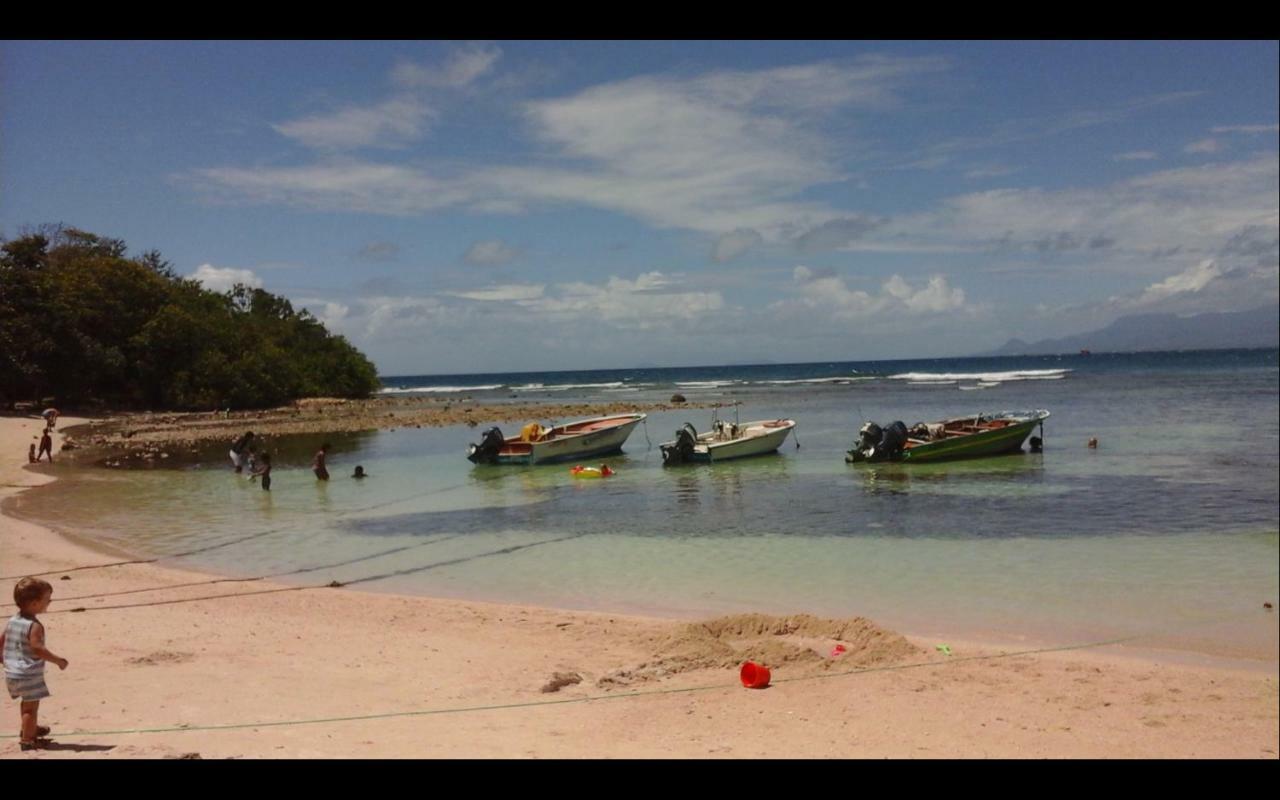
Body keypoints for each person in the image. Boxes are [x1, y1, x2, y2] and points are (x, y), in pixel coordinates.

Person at [2, 577, 68, 751]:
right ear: (34, 604)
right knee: (31, 707)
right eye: (47, 599)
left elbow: (2, 640)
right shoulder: (34, 625)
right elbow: (37, 648)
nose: (49, 602)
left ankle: (29, 727)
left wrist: (4, 659)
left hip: (12, 672)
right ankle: (28, 740)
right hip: (28, 674)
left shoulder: (13, 620)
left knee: (26, 703)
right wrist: (58, 661)